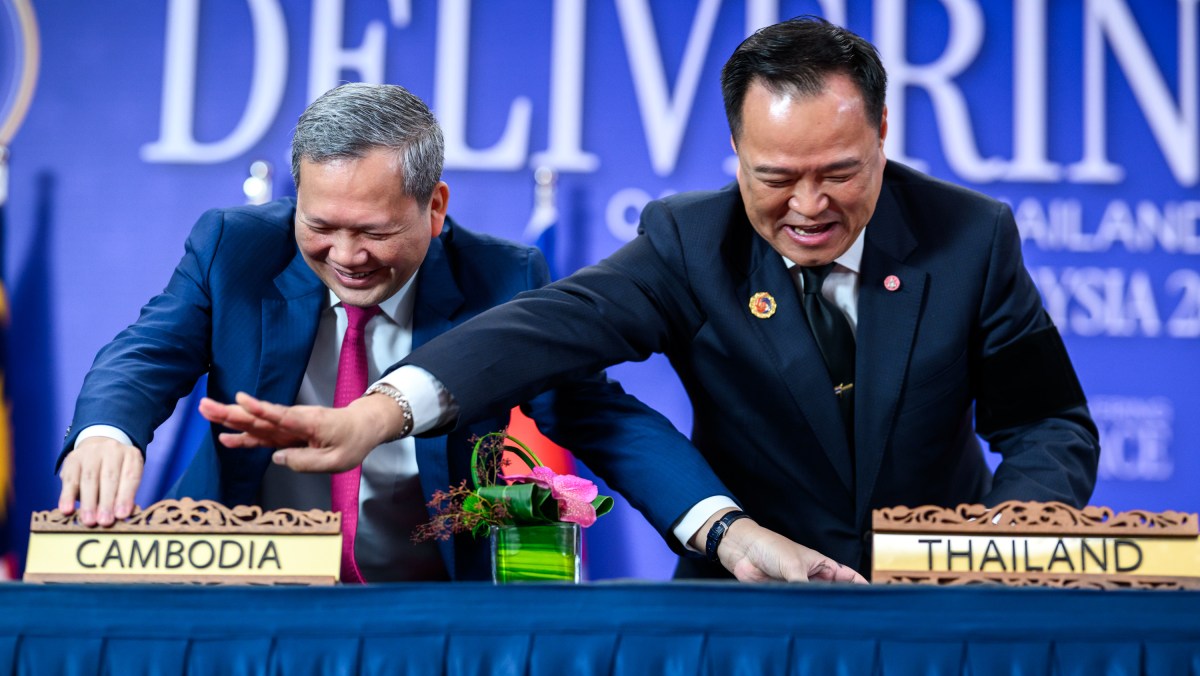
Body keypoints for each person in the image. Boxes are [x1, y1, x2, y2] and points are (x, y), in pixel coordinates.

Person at [202, 17, 1099, 581]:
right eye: (776, 177)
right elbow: (547, 332)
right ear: (736, 152)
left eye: (841, 173)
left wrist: (1000, 552)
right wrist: (380, 414)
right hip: (745, 590)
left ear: (885, 136)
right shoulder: (690, 240)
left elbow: (1048, 421)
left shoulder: (970, 234)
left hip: (938, 598)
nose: (810, 206)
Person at [58, 83, 863, 583]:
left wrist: (723, 530)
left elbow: (595, 417)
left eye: (372, 231)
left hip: (429, 601)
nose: (344, 257)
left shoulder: (504, 280)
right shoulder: (234, 246)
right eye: (320, 226)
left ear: (435, 209)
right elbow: (147, 351)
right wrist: (105, 429)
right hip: (242, 588)